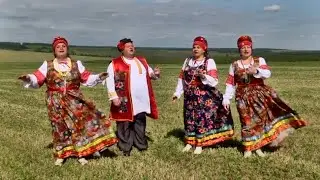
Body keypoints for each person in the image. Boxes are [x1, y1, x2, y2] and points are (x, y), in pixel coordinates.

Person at [18, 36, 118, 166]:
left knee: (78, 126)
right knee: (59, 127)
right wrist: (28, 78)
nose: (61, 48)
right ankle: (61, 154)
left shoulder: (76, 64)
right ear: (54, 50)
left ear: (67, 49)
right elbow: (37, 77)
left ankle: (82, 153)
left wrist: (98, 76)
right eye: (58, 46)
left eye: (63, 46)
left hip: (74, 99)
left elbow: (86, 77)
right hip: (55, 101)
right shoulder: (47, 65)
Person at [222, 35, 307, 158]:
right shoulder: (234, 65)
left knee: (259, 121)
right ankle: (248, 148)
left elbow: (267, 73)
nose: (246, 49)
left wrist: (256, 71)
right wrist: (226, 98)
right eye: (243, 47)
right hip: (242, 96)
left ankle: (258, 147)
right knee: (246, 122)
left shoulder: (259, 60)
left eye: (248, 47)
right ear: (239, 50)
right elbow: (230, 83)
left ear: (251, 48)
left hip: (259, 94)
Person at [172, 36, 234, 154]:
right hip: (189, 96)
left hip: (203, 96)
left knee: (201, 118)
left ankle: (199, 144)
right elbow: (182, 78)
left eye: (198, 47)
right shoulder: (187, 61)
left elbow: (214, 80)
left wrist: (203, 76)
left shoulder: (208, 62)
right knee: (189, 118)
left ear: (204, 49)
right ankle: (190, 142)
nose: (195, 49)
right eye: (194, 47)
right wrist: (177, 92)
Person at [105, 38, 160, 156]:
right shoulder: (115, 63)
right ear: (122, 49)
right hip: (124, 99)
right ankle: (125, 147)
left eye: (132, 45)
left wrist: (155, 74)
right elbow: (109, 81)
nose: (131, 47)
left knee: (140, 122)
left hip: (141, 100)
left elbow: (150, 75)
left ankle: (140, 144)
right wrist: (113, 96)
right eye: (128, 46)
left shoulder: (142, 61)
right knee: (124, 123)